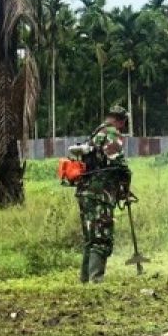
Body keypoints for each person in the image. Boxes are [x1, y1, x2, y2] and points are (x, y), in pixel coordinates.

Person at [69, 105, 132, 284]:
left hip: (85, 191)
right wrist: (127, 178)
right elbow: (118, 162)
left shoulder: (96, 133)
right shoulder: (111, 134)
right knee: (101, 238)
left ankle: (85, 280)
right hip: (100, 193)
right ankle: (96, 280)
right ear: (121, 121)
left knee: (90, 238)